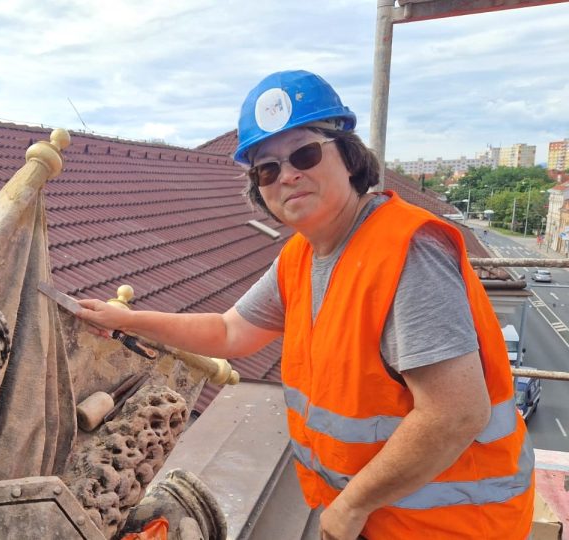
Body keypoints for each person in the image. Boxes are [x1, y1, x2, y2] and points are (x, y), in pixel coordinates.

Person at [77, 70, 534, 539]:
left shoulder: (406, 249)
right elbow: (229, 332)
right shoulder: (301, 256)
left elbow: (454, 412)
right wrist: (127, 320)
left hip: (449, 526)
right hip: (379, 517)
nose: (288, 175)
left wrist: (353, 504)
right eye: (268, 169)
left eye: (305, 153)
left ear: (350, 158)